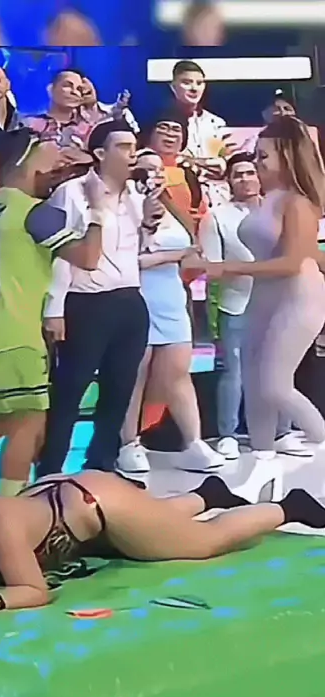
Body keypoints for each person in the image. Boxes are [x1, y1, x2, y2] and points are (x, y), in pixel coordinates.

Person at [0, 462, 325, 614]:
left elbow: (33, 589)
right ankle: (208, 493)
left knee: (203, 542)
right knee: (161, 523)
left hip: (95, 506)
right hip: (64, 511)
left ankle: (292, 505)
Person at [0, 126, 105, 497]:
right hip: (11, 330)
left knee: (8, 415)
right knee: (28, 419)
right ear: (28, 163)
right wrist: (97, 210)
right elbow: (89, 257)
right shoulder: (34, 213)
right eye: (50, 161)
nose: (56, 170)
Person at [185, 116, 325, 459]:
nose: (257, 164)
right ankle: (263, 456)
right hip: (262, 298)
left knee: (275, 384)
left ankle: (320, 436)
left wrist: (225, 267)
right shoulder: (269, 199)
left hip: (298, 298)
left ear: (286, 157)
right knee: (253, 382)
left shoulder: (298, 203)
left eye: (263, 156)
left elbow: (292, 262)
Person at [38, 119, 162, 477]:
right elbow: (62, 254)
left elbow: (136, 250)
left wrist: (149, 223)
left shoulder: (136, 196)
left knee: (120, 388)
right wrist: (54, 308)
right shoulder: (72, 193)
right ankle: (50, 470)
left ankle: (101, 467)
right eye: (123, 147)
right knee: (70, 390)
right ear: (100, 153)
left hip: (130, 299)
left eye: (134, 146)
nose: (132, 153)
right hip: (85, 302)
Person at [119, 149, 224, 474]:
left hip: (172, 298)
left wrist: (190, 258)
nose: (154, 175)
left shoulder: (173, 207)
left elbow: (191, 252)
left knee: (178, 373)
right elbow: (129, 259)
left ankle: (194, 443)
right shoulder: (124, 207)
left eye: (158, 169)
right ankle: (128, 444)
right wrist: (173, 255)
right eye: (146, 169)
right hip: (138, 297)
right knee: (134, 375)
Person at [199, 152, 309, 460]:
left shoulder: (280, 209)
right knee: (235, 371)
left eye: (250, 172)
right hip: (237, 303)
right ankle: (228, 434)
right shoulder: (217, 217)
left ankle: (282, 431)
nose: (245, 179)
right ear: (229, 181)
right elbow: (213, 266)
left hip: (279, 302)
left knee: (279, 369)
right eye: (238, 174)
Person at [167, 59, 231, 206]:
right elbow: (172, 163)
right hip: (179, 196)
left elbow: (221, 167)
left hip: (218, 198)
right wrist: (201, 164)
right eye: (187, 82)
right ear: (173, 87)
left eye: (199, 83)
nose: (194, 88)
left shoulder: (216, 123)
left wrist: (192, 162)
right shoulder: (165, 124)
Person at [22, 69, 92, 149]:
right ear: (50, 89)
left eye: (79, 89)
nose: (74, 92)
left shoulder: (88, 130)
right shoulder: (29, 124)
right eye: (67, 85)